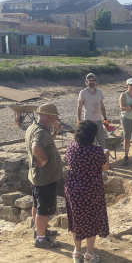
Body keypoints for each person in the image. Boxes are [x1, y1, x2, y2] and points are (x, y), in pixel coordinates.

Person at [65, 121, 110, 263]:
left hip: (73, 189)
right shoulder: (96, 151)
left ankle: (77, 252)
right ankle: (89, 254)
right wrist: (106, 155)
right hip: (91, 190)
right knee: (92, 220)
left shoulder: (71, 147)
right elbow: (105, 168)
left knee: (76, 219)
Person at [25, 103, 62, 248]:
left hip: (36, 176)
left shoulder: (33, 127)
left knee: (37, 204)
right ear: (47, 117)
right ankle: (41, 239)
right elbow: (36, 147)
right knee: (43, 208)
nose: (57, 119)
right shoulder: (40, 132)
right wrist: (45, 159)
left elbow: (44, 141)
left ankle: (39, 231)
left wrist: (54, 133)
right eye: (55, 117)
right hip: (45, 177)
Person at [77, 73, 108, 149]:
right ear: (86, 82)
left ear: (95, 82)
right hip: (88, 121)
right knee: (90, 144)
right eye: (90, 81)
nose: (91, 82)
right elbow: (79, 108)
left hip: (98, 120)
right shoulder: (83, 93)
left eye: (93, 80)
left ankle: (104, 160)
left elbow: (102, 107)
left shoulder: (99, 92)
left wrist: (105, 118)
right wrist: (79, 121)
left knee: (102, 144)